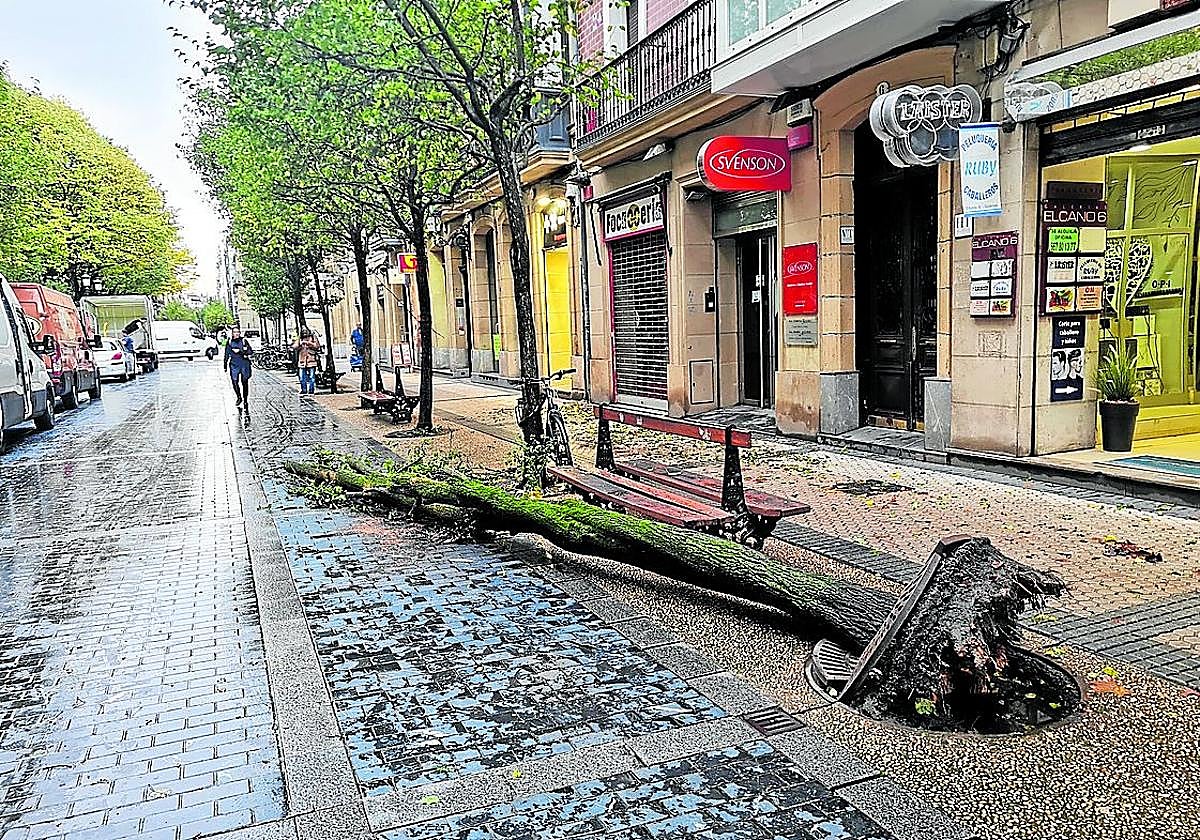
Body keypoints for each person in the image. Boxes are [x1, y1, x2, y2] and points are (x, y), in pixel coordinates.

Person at [224, 326, 254, 409]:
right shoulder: (229, 342)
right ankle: (239, 397)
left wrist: (241, 351)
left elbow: (250, 351)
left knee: (244, 382)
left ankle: (245, 399)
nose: (236, 334)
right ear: (232, 333)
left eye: (238, 332)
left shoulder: (244, 341)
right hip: (234, 364)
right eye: (234, 332)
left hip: (244, 364)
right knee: (234, 381)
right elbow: (226, 353)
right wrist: (225, 365)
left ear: (240, 333)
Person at [296, 328, 322, 395]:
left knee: (312, 377)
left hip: (311, 360)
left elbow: (317, 346)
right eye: (303, 331)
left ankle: (311, 390)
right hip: (302, 360)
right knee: (301, 377)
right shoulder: (300, 338)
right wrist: (299, 344)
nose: (304, 332)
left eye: (305, 331)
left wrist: (309, 343)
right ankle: (303, 390)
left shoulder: (313, 337)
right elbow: (294, 346)